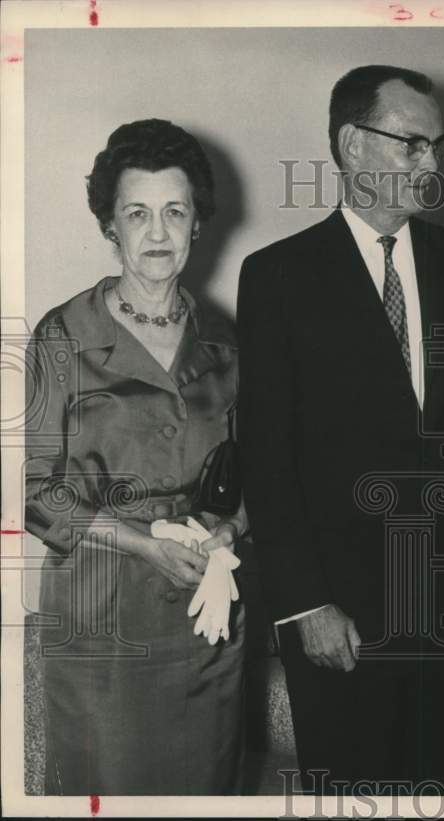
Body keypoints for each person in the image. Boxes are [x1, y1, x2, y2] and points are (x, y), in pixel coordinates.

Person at [237, 65, 444, 789]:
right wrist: (305, 601)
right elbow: (266, 455)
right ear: (351, 144)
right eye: (412, 145)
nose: (431, 165)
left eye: (439, 146)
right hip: (343, 614)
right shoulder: (277, 276)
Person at [24, 119, 247, 795]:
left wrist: (230, 529)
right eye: (138, 213)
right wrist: (140, 542)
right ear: (109, 227)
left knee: (207, 790)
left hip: (206, 614)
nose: (158, 234)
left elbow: (256, 477)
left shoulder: (227, 343)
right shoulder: (63, 334)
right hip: (102, 622)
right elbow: (37, 492)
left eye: (175, 212)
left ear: (197, 225)